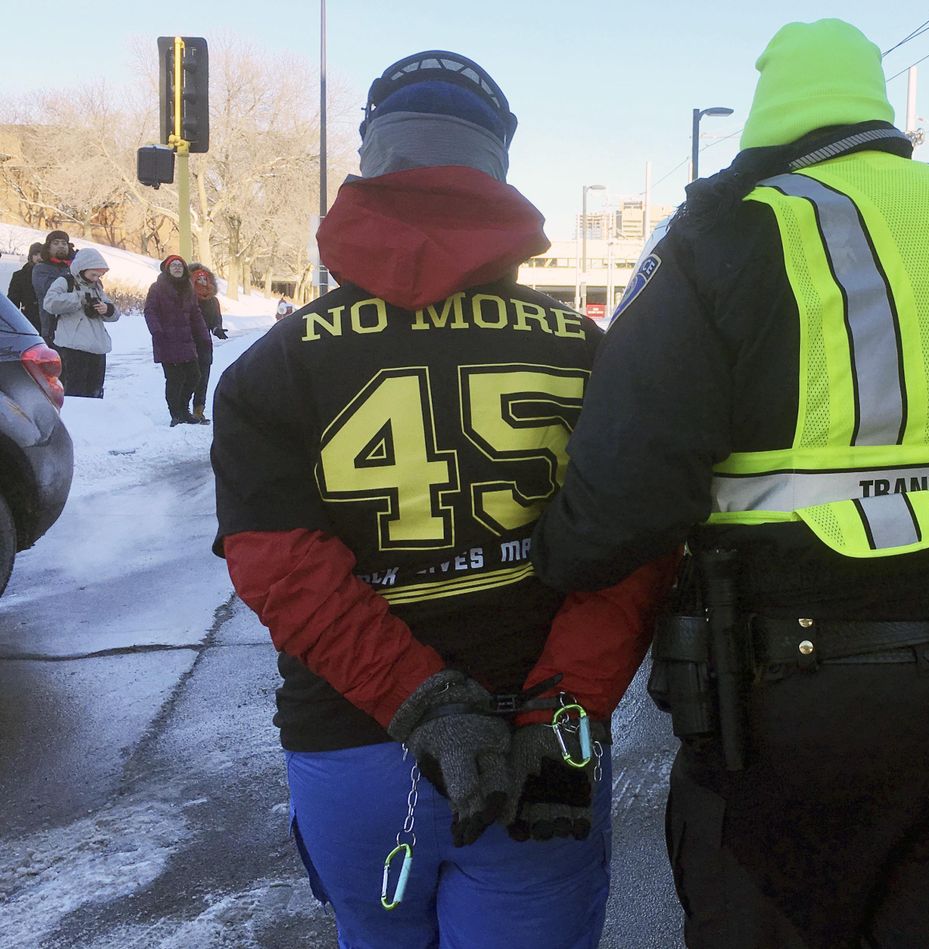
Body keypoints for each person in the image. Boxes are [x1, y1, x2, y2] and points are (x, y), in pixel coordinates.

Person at [531, 19, 929, 949]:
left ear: (767, 124)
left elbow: (625, 500)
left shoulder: (729, 236)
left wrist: (542, 561)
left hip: (793, 704)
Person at [210, 50, 672, 948]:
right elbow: (636, 542)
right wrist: (560, 706)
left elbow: (279, 564)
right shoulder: (584, 350)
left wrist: (420, 700)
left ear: (372, 160)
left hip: (354, 744)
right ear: (495, 168)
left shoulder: (277, 364)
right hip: (536, 751)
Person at [40, 247, 119, 398]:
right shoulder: (65, 281)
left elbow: (115, 314)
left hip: (97, 347)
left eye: (99, 275)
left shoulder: (97, 287)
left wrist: (106, 309)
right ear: (82, 269)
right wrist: (78, 298)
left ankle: (93, 419)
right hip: (73, 347)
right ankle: (75, 420)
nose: (96, 278)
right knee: (75, 392)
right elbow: (49, 303)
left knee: (95, 392)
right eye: (93, 274)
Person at [144, 254, 209, 426]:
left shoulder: (189, 288)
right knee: (174, 378)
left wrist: (203, 335)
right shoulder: (157, 288)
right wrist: (157, 331)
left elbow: (196, 314)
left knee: (194, 375)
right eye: (174, 265)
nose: (178, 268)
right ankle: (176, 414)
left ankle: (184, 408)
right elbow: (150, 311)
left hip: (186, 340)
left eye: (180, 265)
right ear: (167, 269)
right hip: (166, 340)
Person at [187, 263, 228, 424]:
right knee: (190, 377)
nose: (203, 281)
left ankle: (199, 410)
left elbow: (216, 319)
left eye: (205, 278)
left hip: (205, 344)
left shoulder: (213, 301)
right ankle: (183, 409)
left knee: (203, 378)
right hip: (187, 342)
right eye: (199, 278)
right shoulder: (187, 298)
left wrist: (217, 329)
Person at [32, 230, 74, 347]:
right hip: (53, 329)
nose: (61, 246)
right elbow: (53, 291)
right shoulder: (41, 269)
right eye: (56, 243)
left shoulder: (75, 267)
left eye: (64, 243)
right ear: (48, 248)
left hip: (78, 330)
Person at [7, 242, 44, 333]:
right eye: (35, 254)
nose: (39, 257)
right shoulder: (20, 275)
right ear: (30, 256)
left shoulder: (50, 275)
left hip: (48, 320)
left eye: (41, 254)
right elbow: (12, 302)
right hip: (29, 320)